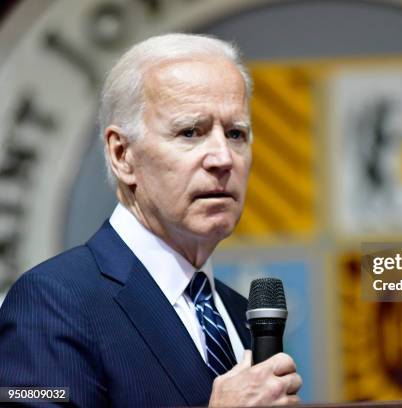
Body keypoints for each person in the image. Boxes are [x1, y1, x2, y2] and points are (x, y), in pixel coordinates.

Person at [0, 33, 302, 407]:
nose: (223, 158)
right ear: (122, 154)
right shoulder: (52, 303)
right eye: (191, 132)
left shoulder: (242, 315)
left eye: (236, 133)